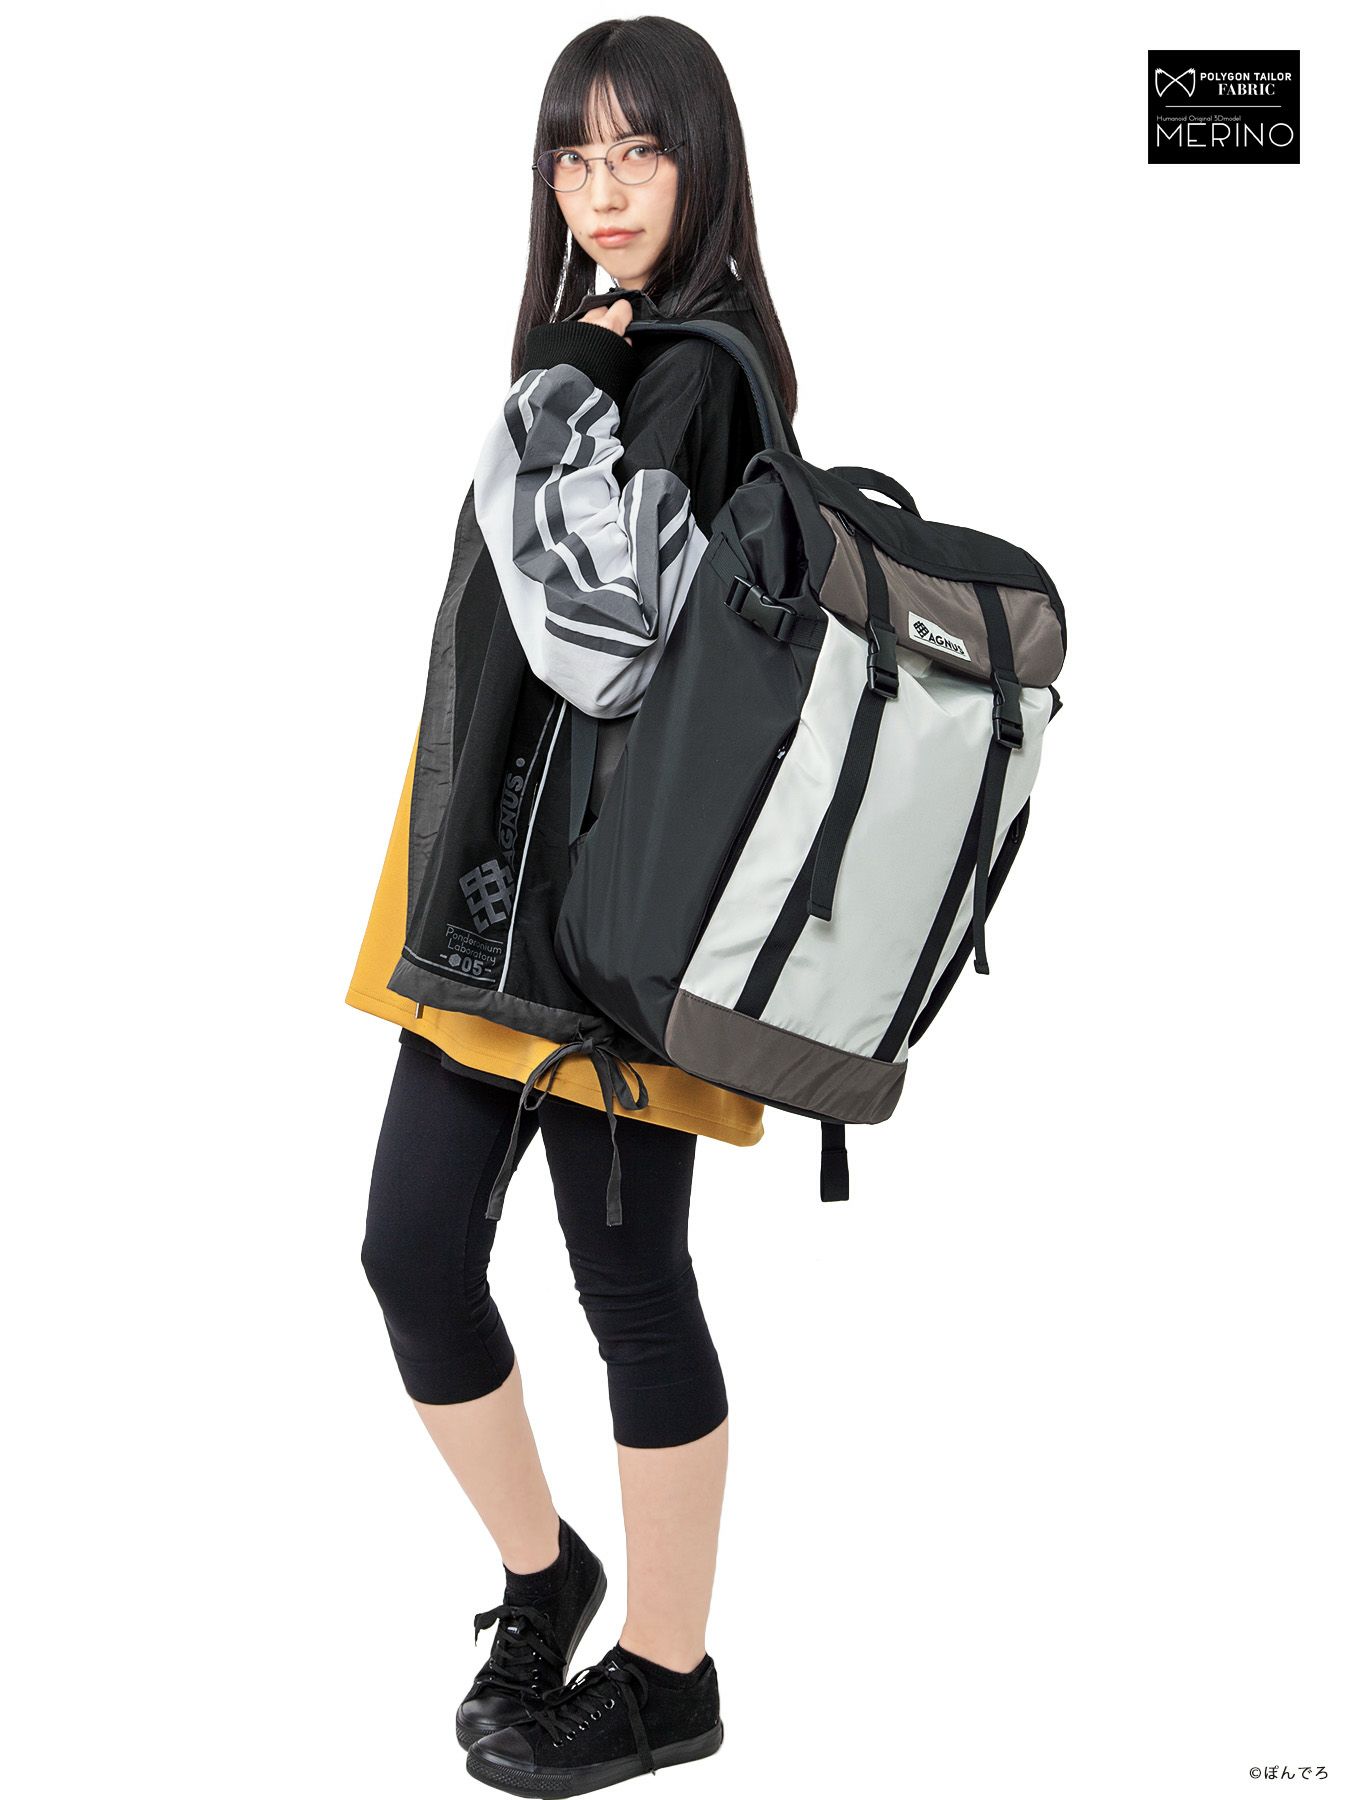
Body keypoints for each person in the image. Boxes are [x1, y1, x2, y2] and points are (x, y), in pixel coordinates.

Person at [351, 19, 798, 1794]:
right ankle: (547, 1577)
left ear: (703, 165)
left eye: (639, 152)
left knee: (629, 1284)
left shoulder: (692, 366)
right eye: (572, 157)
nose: (600, 192)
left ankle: (670, 1680)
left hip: (612, 926)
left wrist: (556, 383)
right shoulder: (612, 344)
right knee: (409, 1253)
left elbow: (604, 647)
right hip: (501, 904)